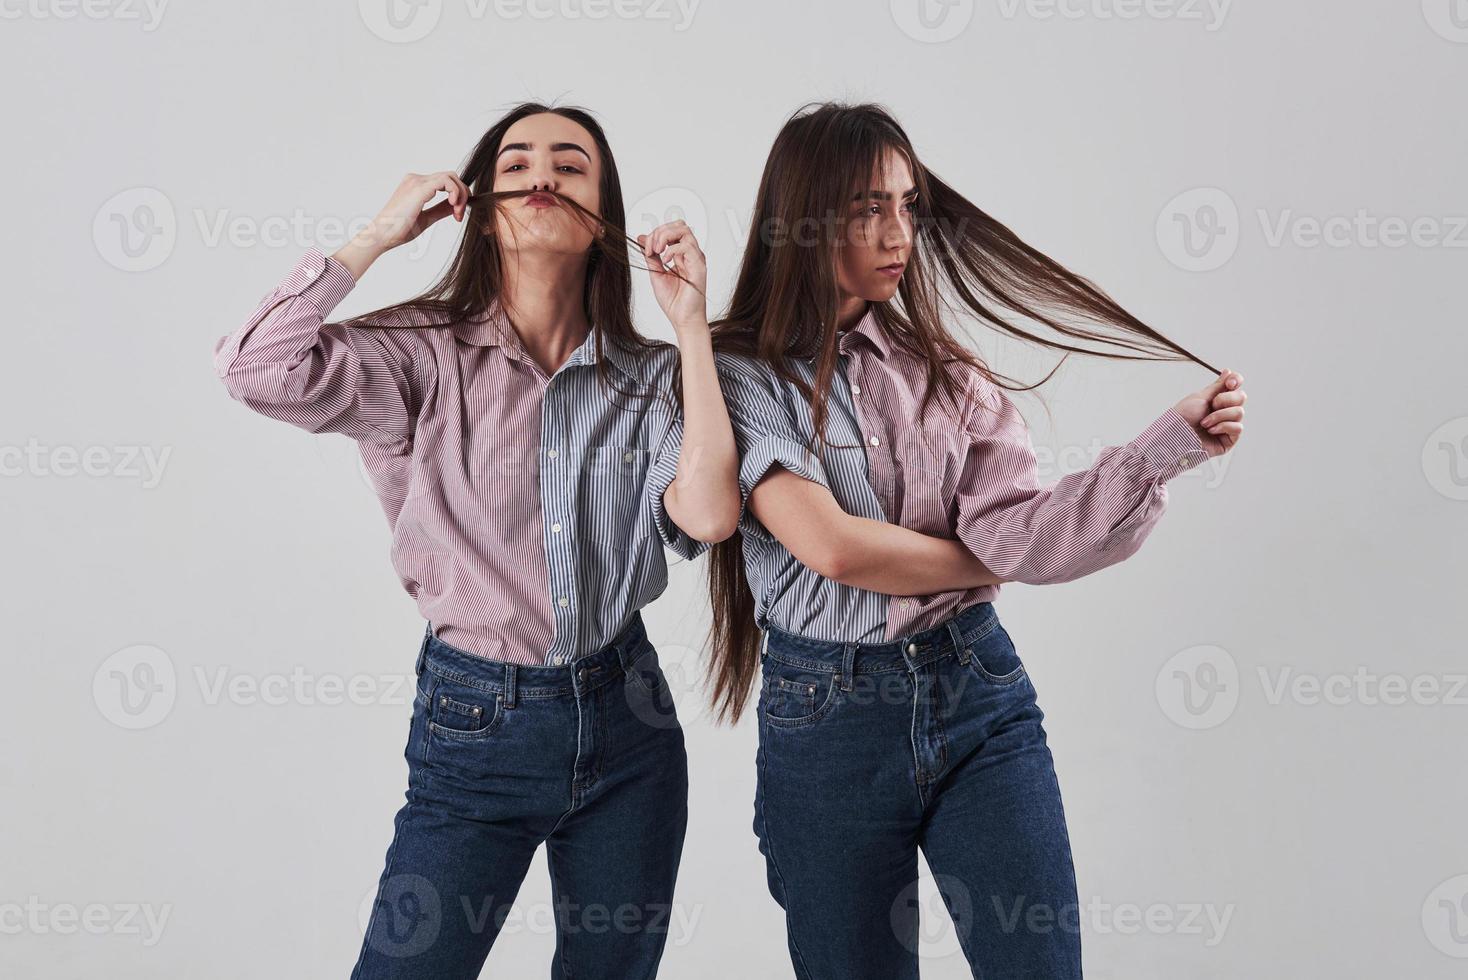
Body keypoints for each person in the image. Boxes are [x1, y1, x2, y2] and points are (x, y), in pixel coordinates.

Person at [701, 102, 1248, 980]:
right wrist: (988, 564)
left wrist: (1163, 446)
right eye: (867, 207)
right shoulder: (734, 374)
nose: (897, 233)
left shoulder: (948, 376)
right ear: (801, 218)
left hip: (978, 694)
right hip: (826, 724)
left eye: (907, 206)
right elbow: (834, 549)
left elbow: (1031, 534)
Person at [212, 102, 737, 979]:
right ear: (482, 206)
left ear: (604, 216)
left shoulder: (648, 378)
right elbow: (254, 369)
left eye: (570, 165)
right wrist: (379, 235)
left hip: (631, 723)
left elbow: (711, 517)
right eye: (517, 162)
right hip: (476, 726)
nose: (541, 175)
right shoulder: (420, 356)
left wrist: (690, 328)